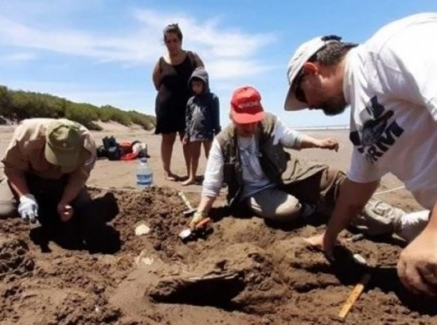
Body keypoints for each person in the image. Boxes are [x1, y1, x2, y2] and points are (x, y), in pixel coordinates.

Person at [284, 13, 437, 296]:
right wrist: (329, 238)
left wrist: (434, 234)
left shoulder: (390, 50)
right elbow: (358, 187)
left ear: (312, 70)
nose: (309, 106)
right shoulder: (361, 118)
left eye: (302, 96)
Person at [190, 86, 414, 242]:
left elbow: (292, 138)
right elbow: (212, 184)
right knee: (290, 209)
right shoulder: (222, 142)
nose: (250, 127)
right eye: (244, 123)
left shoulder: (269, 122)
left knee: (335, 179)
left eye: (253, 121)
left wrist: (318, 142)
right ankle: (323, 210)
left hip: (285, 175)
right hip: (255, 191)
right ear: (232, 115)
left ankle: (396, 220)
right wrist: (200, 213)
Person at [0, 118, 96, 228]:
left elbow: (78, 178)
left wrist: (64, 203)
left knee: (85, 209)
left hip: (62, 180)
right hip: (27, 176)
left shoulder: (87, 146)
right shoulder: (27, 134)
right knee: (3, 212)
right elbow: (14, 169)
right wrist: (25, 197)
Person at [153, 23, 204, 181]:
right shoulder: (161, 61)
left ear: (180, 41)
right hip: (166, 106)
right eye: (168, 41)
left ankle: (191, 174)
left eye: (175, 40)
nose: (172, 44)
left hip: (188, 106)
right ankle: (167, 172)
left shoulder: (192, 57)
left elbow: (203, 78)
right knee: (167, 139)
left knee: (187, 139)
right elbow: (156, 83)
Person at [182, 66, 220, 186]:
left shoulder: (213, 98)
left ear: (205, 84)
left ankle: (214, 178)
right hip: (194, 133)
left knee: (210, 156)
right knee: (194, 156)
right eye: (194, 85)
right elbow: (188, 119)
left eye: (198, 85)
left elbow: (216, 116)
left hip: (208, 132)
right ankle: (192, 177)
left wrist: (217, 132)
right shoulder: (191, 101)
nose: (195, 88)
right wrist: (187, 134)